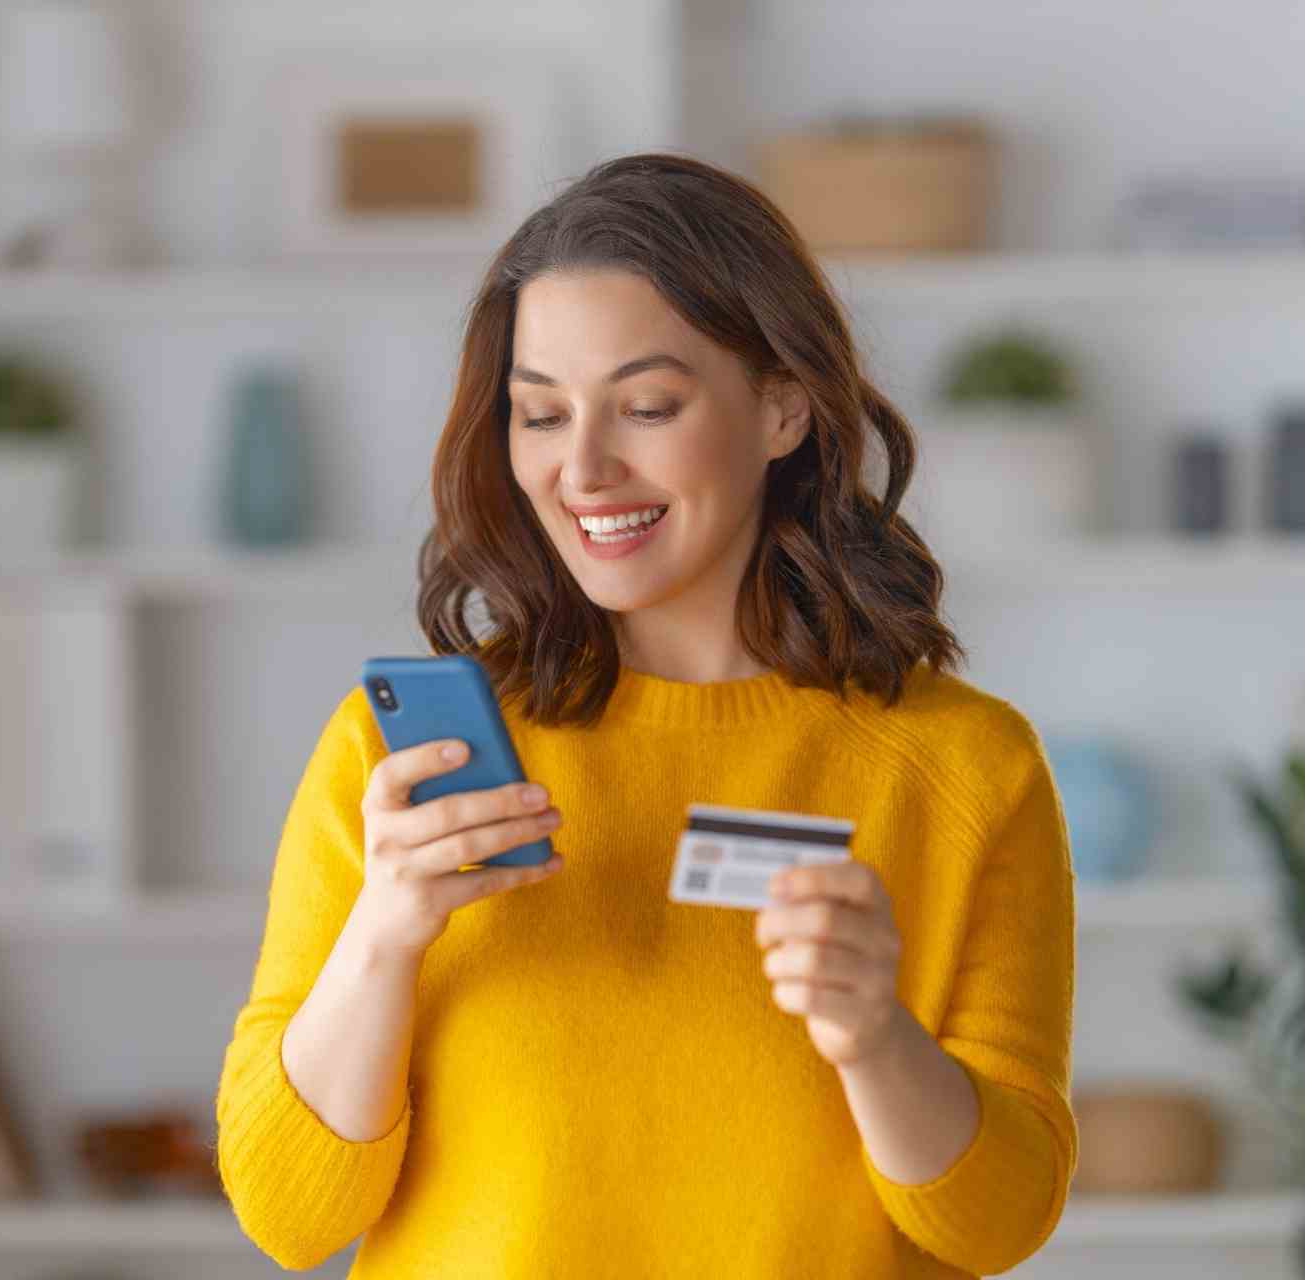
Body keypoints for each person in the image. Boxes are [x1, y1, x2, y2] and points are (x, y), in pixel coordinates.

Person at [213, 151, 1076, 1278]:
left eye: (647, 406)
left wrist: (875, 1034)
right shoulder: (404, 764)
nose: (583, 468)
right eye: (540, 413)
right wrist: (384, 933)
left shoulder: (964, 767)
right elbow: (287, 1211)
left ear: (783, 406)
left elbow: (1001, 1221)